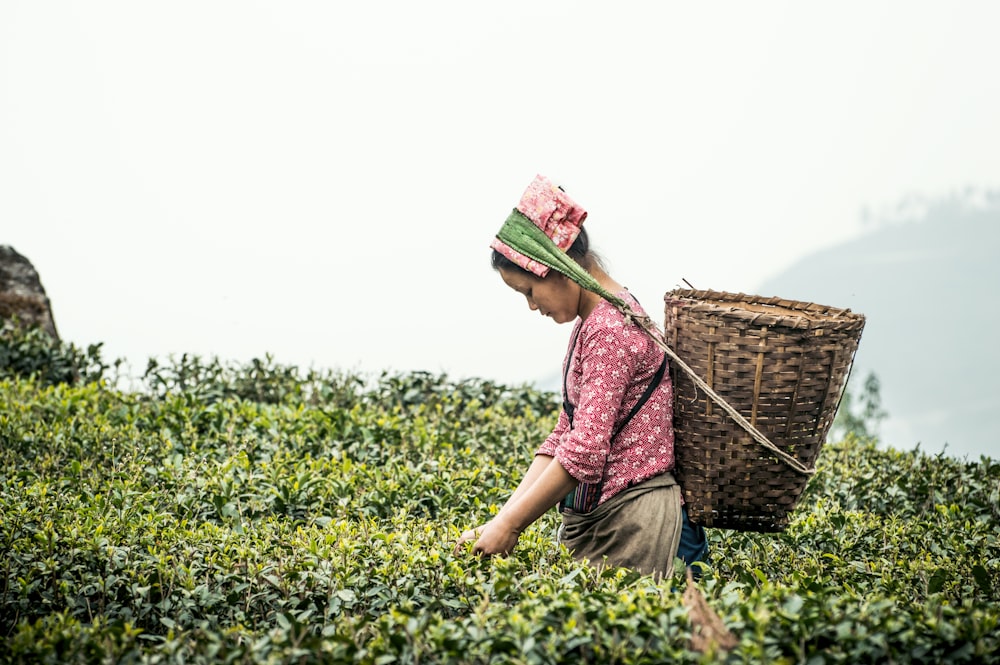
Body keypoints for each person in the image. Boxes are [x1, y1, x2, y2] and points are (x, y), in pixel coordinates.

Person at [455, 175, 707, 579]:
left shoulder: (609, 330)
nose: (532, 306)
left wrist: (511, 526)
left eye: (528, 292)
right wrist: (499, 520)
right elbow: (564, 436)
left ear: (559, 269)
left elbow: (585, 451)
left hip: (646, 526)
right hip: (619, 522)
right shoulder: (597, 321)